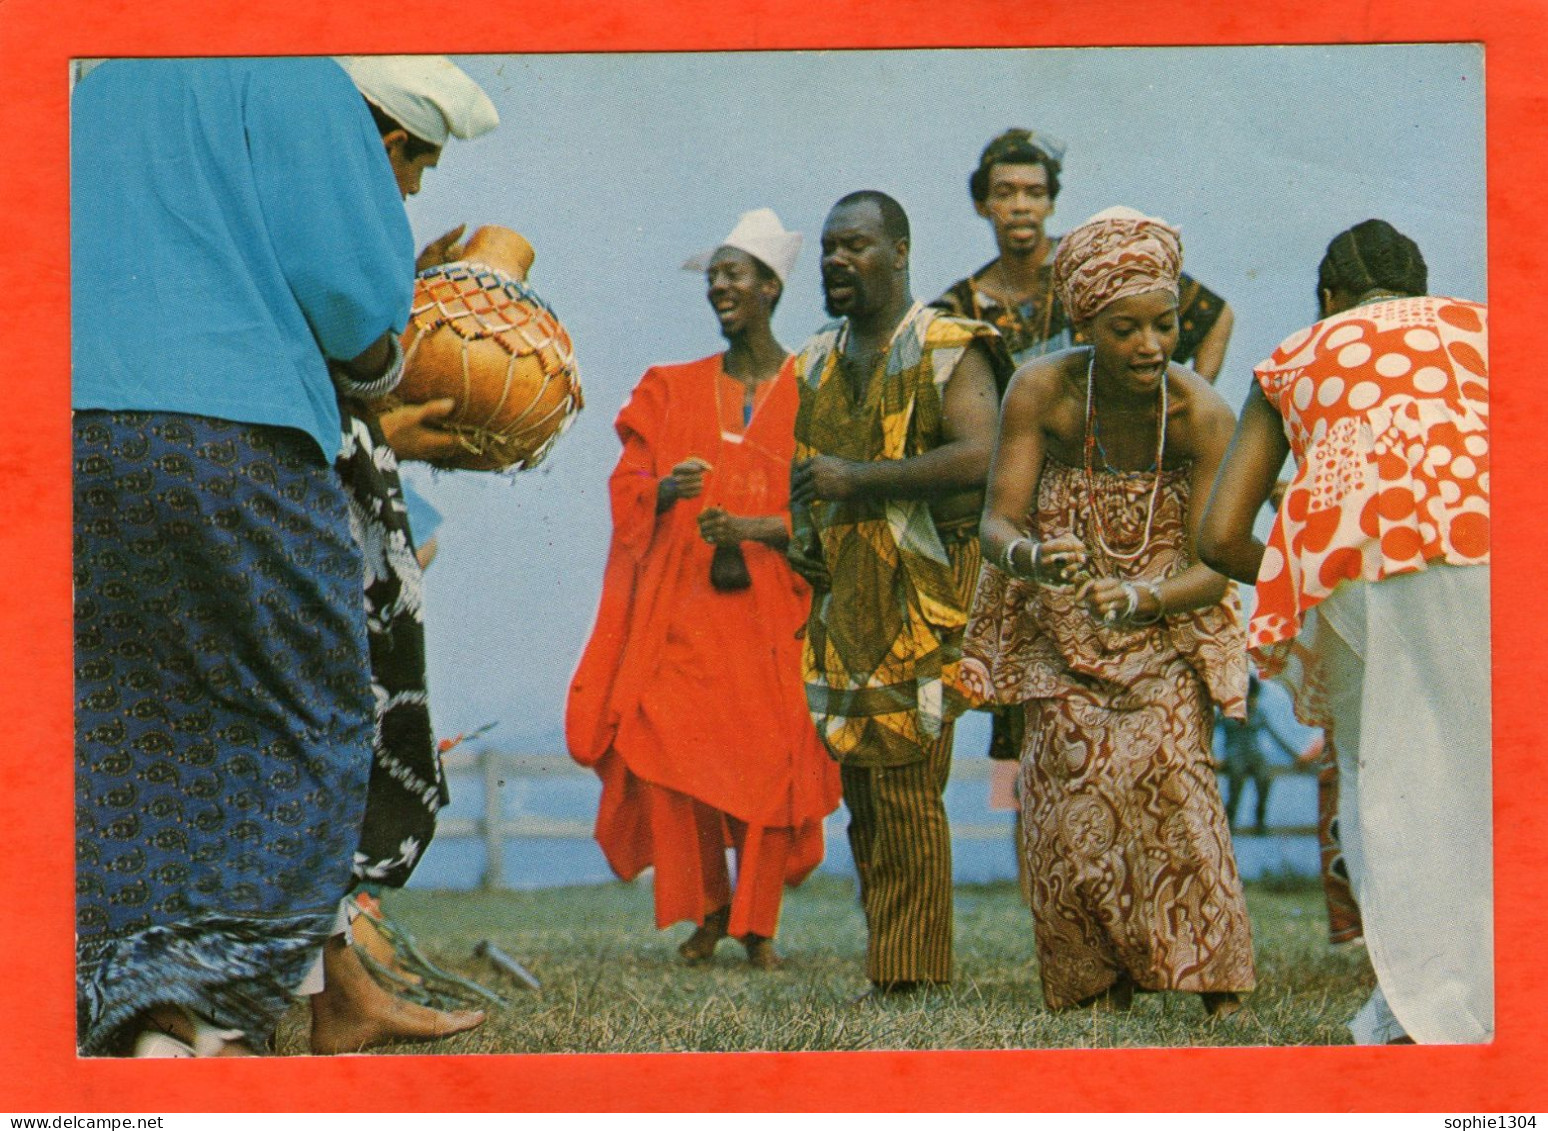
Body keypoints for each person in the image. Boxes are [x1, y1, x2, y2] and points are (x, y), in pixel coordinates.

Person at [72, 57, 415, 1056]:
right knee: (314, 705)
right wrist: (383, 361)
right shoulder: (285, 62)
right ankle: (216, 996)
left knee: (120, 719)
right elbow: (355, 296)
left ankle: (145, 1008)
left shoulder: (99, 77)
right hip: (231, 430)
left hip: (64, 428)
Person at [1197, 218, 1490, 1044]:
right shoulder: (1484, 331)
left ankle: (1411, 1006)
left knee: (1383, 772)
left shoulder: (1301, 350)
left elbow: (1219, 536)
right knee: (1497, 776)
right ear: (1424, 294)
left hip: (1366, 568)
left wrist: (1303, 582)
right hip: (1499, 548)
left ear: (1329, 299)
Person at [960, 206, 1254, 1017]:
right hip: (1058, 623)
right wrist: (1032, 557)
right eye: (1126, 329)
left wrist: (1140, 597)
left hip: (1163, 625)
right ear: (1086, 323)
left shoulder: (1201, 414)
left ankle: (1217, 986)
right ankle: (1097, 985)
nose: (1151, 346)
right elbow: (996, 523)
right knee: (1067, 804)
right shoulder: (1042, 390)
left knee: (1177, 788)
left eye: (1164, 325)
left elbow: (1215, 565)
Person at [568, 210, 840, 969]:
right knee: (664, 745)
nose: (720, 284)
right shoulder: (671, 388)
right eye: (714, 274)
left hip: (772, 617)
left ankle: (757, 926)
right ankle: (710, 908)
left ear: (772, 286)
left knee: (770, 766)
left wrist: (754, 530)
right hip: (684, 617)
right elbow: (626, 488)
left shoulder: (817, 387)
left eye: (735, 272)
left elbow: (830, 510)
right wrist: (662, 489)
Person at [299, 55, 503, 1054]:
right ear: (387, 145)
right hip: (284, 488)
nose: (415, 186)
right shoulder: (330, 207)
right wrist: (393, 419)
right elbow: (355, 362)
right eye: (416, 163)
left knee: (326, 725)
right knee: (320, 723)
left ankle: (341, 994)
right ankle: (330, 997)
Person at [788, 191, 1010, 997]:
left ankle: (914, 974)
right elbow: (812, 468)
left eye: (855, 246)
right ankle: (892, 960)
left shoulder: (950, 346)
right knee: (865, 781)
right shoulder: (816, 357)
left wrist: (863, 481)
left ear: (901, 251)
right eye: (827, 248)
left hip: (931, 580)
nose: (836, 261)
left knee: (909, 773)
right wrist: (805, 537)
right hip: (849, 588)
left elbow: (982, 455)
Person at [933, 129, 1235, 380]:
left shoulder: (1094, 260)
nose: (1021, 206)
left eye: (1035, 193)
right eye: (1004, 193)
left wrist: (1188, 400)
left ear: (1050, 204)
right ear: (981, 205)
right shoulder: (961, 307)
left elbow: (1216, 314)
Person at [1218, 674, 1298, 835]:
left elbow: (1276, 736)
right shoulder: (1226, 713)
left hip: (1255, 753)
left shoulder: (1258, 713)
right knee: (1236, 780)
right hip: (1234, 753)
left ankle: (1260, 818)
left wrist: (1295, 756)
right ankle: (1230, 822)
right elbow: (1206, 732)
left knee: (1264, 778)